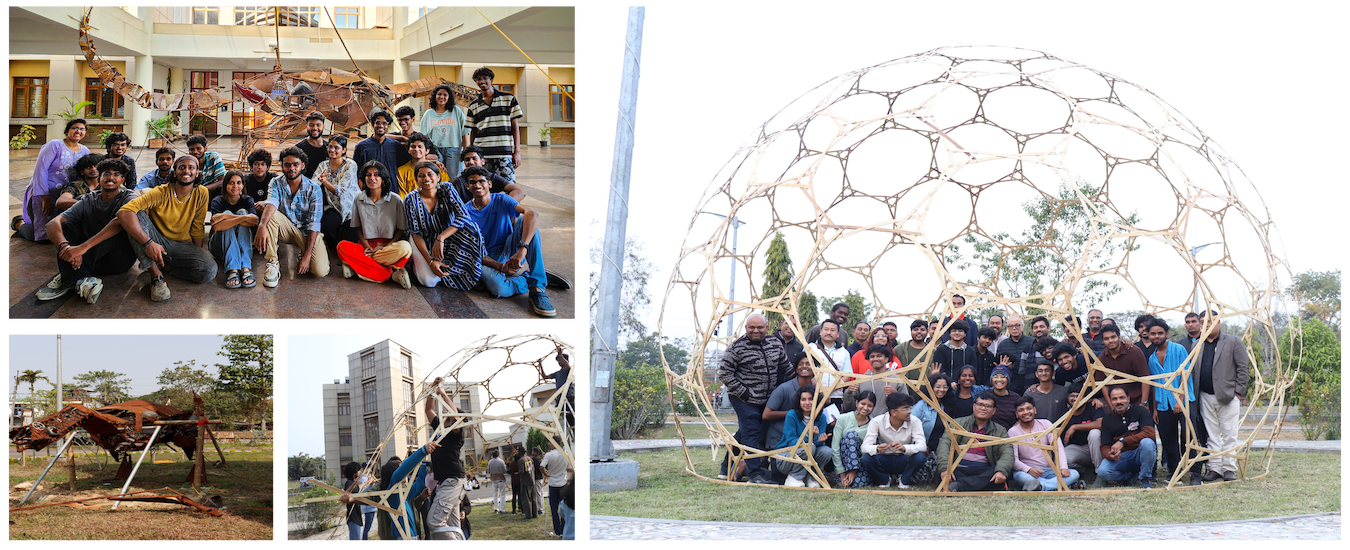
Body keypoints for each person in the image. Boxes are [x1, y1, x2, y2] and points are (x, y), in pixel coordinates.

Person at [462, 165, 569, 316]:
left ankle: (537, 288)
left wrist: (522, 249)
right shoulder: (465, 212)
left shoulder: (501, 199)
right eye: (472, 182)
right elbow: (472, 251)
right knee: (497, 289)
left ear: (489, 184)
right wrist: (500, 267)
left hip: (510, 247)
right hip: (487, 257)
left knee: (527, 222)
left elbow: (532, 214)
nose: (477, 185)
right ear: (467, 186)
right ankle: (531, 276)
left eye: (482, 181)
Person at [36, 157, 138, 304]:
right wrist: (65, 246)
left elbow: (119, 223)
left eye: (116, 174)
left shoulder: (129, 197)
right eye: (106, 174)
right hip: (91, 260)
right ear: (100, 177)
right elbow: (52, 224)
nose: (111, 177)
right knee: (65, 226)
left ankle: (69, 277)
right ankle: (82, 280)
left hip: (117, 260)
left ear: (122, 179)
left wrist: (81, 248)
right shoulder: (88, 199)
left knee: (117, 225)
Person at [116, 154, 217, 301]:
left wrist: (199, 254)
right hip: (157, 240)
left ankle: (167, 266)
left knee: (209, 271)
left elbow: (197, 226)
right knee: (135, 214)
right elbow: (124, 211)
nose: (186, 171)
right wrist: (148, 243)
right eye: (182, 167)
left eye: (191, 168)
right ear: (174, 172)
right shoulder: (160, 191)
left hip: (182, 244)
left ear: (197, 172)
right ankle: (156, 275)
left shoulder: (202, 192)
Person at [717, 313, 792, 485]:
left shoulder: (775, 343)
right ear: (746, 328)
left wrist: (802, 384)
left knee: (744, 433)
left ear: (766, 327)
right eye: (752, 327)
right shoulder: (737, 347)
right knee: (752, 433)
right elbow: (724, 373)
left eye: (760, 327)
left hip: (767, 399)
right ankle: (755, 474)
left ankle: (724, 467)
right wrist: (744, 392)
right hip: (744, 400)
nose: (756, 331)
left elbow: (786, 368)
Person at [254, 146, 329, 287]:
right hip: (287, 229)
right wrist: (262, 225)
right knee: (271, 214)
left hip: (307, 233)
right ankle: (272, 263)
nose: (291, 168)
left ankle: (308, 249)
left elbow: (314, 224)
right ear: (282, 166)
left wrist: (307, 257)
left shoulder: (314, 189)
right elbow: (272, 203)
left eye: (295, 164)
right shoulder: (276, 183)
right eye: (287, 165)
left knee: (320, 271)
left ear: (302, 165)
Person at [406, 162, 486, 291]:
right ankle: (416, 266)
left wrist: (441, 238)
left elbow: (463, 216)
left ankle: (468, 270)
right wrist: (430, 261)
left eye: (430, 174)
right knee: (429, 282)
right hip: (422, 239)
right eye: (421, 176)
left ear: (438, 177)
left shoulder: (447, 188)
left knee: (471, 228)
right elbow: (415, 233)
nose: (426, 178)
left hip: (447, 236)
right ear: (416, 179)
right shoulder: (411, 199)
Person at [1144, 318, 1202, 485]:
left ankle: (1195, 473)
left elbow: (1186, 373)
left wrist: (1180, 400)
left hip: (1183, 401)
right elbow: (1155, 384)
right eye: (1153, 334)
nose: (1156, 336)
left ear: (1166, 334)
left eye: (1160, 333)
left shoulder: (1178, 349)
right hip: (1162, 404)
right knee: (1168, 438)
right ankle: (1174, 471)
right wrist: (1154, 409)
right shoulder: (1152, 358)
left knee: (1189, 435)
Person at [1193, 310, 1249, 483]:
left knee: (1230, 433)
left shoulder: (1233, 342)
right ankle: (1215, 468)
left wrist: (1237, 393)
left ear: (1219, 322)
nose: (1206, 324)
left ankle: (1229, 469)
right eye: (1202, 322)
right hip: (1204, 396)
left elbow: (1243, 368)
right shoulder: (1197, 344)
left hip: (1228, 396)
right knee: (1212, 434)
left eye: (1210, 321)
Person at [337, 160, 412, 287]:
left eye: (376, 175)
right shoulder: (358, 198)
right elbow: (358, 228)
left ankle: (358, 267)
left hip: (389, 247)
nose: (372, 178)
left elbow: (401, 229)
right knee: (342, 246)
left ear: (383, 179)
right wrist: (367, 248)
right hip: (367, 246)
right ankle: (391, 272)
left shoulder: (395, 199)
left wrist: (385, 246)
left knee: (405, 248)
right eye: (368, 175)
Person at [15, 119, 89, 242]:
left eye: (82, 129)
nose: (78, 131)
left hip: (65, 196)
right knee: (42, 236)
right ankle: (19, 223)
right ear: (67, 131)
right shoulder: (54, 145)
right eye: (75, 128)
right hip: (45, 193)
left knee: (59, 233)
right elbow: (40, 170)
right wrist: (45, 198)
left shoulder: (85, 151)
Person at [752, 350, 815, 482]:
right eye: (801, 364)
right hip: (781, 442)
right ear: (796, 368)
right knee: (779, 478)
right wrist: (793, 413)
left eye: (809, 363)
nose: (805, 366)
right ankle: (745, 468)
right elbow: (766, 414)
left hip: (803, 442)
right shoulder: (784, 389)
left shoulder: (816, 389)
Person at [938, 391, 1014, 492]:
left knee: (1001, 472)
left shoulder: (1000, 430)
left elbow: (1007, 452)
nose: (983, 408)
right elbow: (944, 444)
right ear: (974, 406)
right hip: (959, 468)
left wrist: (1001, 471)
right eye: (980, 405)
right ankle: (985, 485)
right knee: (941, 471)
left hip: (983, 470)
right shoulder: (957, 424)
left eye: (988, 406)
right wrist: (945, 468)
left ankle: (958, 485)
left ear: (994, 410)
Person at [423, 376, 468, 541]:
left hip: (453, 480)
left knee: (434, 522)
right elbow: (428, 410)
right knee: (452, 524)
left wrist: (442, 394)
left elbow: (455, 416)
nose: (446, 417)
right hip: (445, 482)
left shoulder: (456, 432)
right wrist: (431, 391)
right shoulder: (440, 428)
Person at [1009, 396, 1081, 490]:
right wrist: (1029, 470)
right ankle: (1063, 485)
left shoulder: (1046, 424)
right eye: (1021, 410)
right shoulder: (1013, 431)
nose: (1026, 412)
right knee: (1020, 476)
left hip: (1049, 470)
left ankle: (1041, 487)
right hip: (1027, 472)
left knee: (1074, 473)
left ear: (1035, 410)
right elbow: (1013, 460)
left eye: (1029, 408)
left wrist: (1064, 467)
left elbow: (1058, 447)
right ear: (1017, 414)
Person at [467, 67, 524, 183]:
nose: (481, 81)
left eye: (485, 78)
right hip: (482, 155)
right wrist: (473, 153)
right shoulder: (473, 105)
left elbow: (515, 126)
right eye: (478, 79)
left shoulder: (508, 99)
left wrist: (517, 151)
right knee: (485, 187)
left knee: (508, 187)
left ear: (491, 80)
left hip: (503, 153)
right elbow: (473, 130)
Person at [859, 392, 927, 488]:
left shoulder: (915, 421)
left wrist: (905, 448)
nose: (909, 411)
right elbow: (865, 447)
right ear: (893, 412)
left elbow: (922, 446)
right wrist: (877, 448)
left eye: (910, 408)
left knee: (920, 457)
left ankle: (904, 479)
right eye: (905, 409)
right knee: (866, 458)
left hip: (904, 458)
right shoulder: (877, 421)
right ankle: (884, 479)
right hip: (884, 459)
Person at [1096, 385, 1158, 489]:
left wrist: (1123, 442)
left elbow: (1149, 433)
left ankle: (1144, 479)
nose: (1118, 401)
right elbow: (1104, 445)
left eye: (1122, 398)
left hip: (1140, 453)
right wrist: (1110, 455)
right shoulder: (1107, 420)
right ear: (1110, 401)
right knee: (1103, 471)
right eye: (1114, 399)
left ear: (1128, 398)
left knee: (1147, 443)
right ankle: (1130, 477)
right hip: (1122, 457)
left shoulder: (1140, 411)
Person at [773, 384, 833, 488]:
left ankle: (812, 477)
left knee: (827, 451)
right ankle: (794, 477)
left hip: (807, 454)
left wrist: (820, 440)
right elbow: (791, 441)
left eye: (810, 399)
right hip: (786, 457)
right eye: (803, 399)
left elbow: (818, 443)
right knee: (809, 446)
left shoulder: (821, 417)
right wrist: (809, 436)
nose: (807, 403)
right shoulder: (792, 415)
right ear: (799, 401)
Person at [206, 170, 258, 289]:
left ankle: (245, 267)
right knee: (231, 213)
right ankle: (233, 269)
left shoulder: (247, 200)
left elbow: (254, 221)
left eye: (239, 183)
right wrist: (242, 218)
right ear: (225, 185)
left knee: (241, 211)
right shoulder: (218, 201)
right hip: (219, 247)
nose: (235, 186)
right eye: (231, 183)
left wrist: (224, 217)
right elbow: (217, 226)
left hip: (241, 247)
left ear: (243, 185)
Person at [314, 135, 361, 249]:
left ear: (344, 150)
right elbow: (313, 184)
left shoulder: (350, 165)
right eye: (330, 147)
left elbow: (340, 190)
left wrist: (325, 182)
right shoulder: (323, 165)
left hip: (352, 208)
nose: (332, 150)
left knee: (346, 241)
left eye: (336, 147)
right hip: (334, 207)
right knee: (327, 226)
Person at [843, 344, 908, 419]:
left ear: (886, 359)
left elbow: (906, 405)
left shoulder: (897, 380)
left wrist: (894, 394)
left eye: (879, 356)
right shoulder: (861, 380)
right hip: (866, 424)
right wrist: (849, 392)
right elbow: (849, 408)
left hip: (891, 424)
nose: (875, 359)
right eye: (872, 357)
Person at [422, 84, 472, 178]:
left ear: (449, 97)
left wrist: (466, 153)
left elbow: (464, 132)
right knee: (436, 177)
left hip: (454, 150)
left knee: (454, 178)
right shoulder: (428, 114)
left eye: (445, 95)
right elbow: (424, 136)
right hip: (435, 150)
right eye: (439, 94)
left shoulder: (456, 111)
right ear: (435, 96)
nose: (442, 97)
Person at [449, 145, 526, 203]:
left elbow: (519, 192)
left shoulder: (492, 177)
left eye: (474, 158)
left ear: (482, 161)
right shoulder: (459, 182)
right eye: (467, 159)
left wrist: (504, 206)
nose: (471, 162)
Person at [1096, 324, 1150, 405]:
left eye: (1113, 337)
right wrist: (1111, 407)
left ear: (1119, 336)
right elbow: (1103, 385)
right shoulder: (1102, 358)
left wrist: (1144, 403)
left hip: (1139, 400)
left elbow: (1145, 378)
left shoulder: (1134, 352)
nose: (1110, 340)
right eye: (1106, 339)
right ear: (1102, 341)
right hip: (1118, 403)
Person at [832, 389, 876, 488]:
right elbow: (835, 447)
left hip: (861, 463)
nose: (865, 408)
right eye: (863, 404)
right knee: (851, 435)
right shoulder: (843, 418)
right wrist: (842, 473)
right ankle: (843, 477)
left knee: (857, 484)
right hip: (844, 462)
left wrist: (855, 469)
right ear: (856, 403)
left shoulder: (873, 424)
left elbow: (869, 450)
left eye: (869, 406)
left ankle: (852, 475)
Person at [1061, 383, 1104, 480]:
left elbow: (1100, 424)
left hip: (1097, 448)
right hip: (1078, 450)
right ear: (1067, 397)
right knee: (1061, 460)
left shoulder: (1094, 406)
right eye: (1072, 396)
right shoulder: (1064, 414)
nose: (1076, 399)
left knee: (1095, 433)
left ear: (1086, 397)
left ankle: (1099, 474)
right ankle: (1084, 471)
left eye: (1079, 396)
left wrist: (1075, 427)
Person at [809, 318, 852, 409]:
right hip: (813, 394)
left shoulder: (844, 352)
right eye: (826, 329)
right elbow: (806, 370)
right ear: (820, 332)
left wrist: (828, 391)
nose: (829, 332)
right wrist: (821, 390)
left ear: (838, 334)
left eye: (832, 330)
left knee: (834, 422)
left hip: (836, 396)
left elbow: (847, 374)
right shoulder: (810, 348)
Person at [353, 110, 405, 180]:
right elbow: (356, 171)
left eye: (384, 123)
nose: (381, 126)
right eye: (378, 123)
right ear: (372, 124)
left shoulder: (396, 146)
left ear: (388, 126)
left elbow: (404, 168)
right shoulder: (362, 147)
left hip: (392, 188)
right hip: (369, 188)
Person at [397, 132, 450, 197]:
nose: (416, 149)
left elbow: (446, 190)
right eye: (413, 146)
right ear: (409, 150)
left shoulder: (438, 168)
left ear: (427, 151)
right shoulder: (401, 171)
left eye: (420, 147)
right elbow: (403, 197)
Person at [913, 373, 954, 455]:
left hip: (942, 450)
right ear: (931, 388)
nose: (941, 390)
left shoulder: (948, 405)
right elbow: (911, 426)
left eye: (945, 387)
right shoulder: (921, 405)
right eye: (938, 386)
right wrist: (921, 445)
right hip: (923, 450)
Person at [996, 315, 1038, 394]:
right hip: (1010, 383)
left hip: (1029, 381)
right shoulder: (1003, 344)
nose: (1014, 328)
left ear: (1022, 326)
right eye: (1011, 326)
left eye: (1017, 325)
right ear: (1008, 328)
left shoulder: (1032, 342)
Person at [540, 441, 570, 535]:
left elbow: (541, 466)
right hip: (563, 484)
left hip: (553, 484)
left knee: (554, 509)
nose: (549, 444)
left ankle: (557, 531)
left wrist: (545, 474)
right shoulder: (565, 454)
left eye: (550, 443)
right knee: (564, 507)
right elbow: (569, 469)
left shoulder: (549, 454)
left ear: (554, 443)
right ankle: (563, 529)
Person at [295, 111, 329, 179]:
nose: (315, 128)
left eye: (318, 125)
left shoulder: (329, 148)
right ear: (306, 126)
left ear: (323, 127)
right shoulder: (298, 149)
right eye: (311, 125)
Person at [987, 365, 1022, 429]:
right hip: (988, 435)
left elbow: (1021, 418)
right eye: (995, 377)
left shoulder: (1016, 398)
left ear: (1008, 380)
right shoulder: (986, 396)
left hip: (1010, 435)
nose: (999, 380)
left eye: (1003, 377)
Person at [342, 461, 364, 542]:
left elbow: (359, 487)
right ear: (354, 473)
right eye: (359, 470)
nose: (360, 472)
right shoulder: (349, 483)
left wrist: (368, 482)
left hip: (357, 514)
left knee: (357, 539)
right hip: (352, 516)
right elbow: (346, 493)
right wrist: (355, 483)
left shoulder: (355, 484)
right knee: (355, 539)